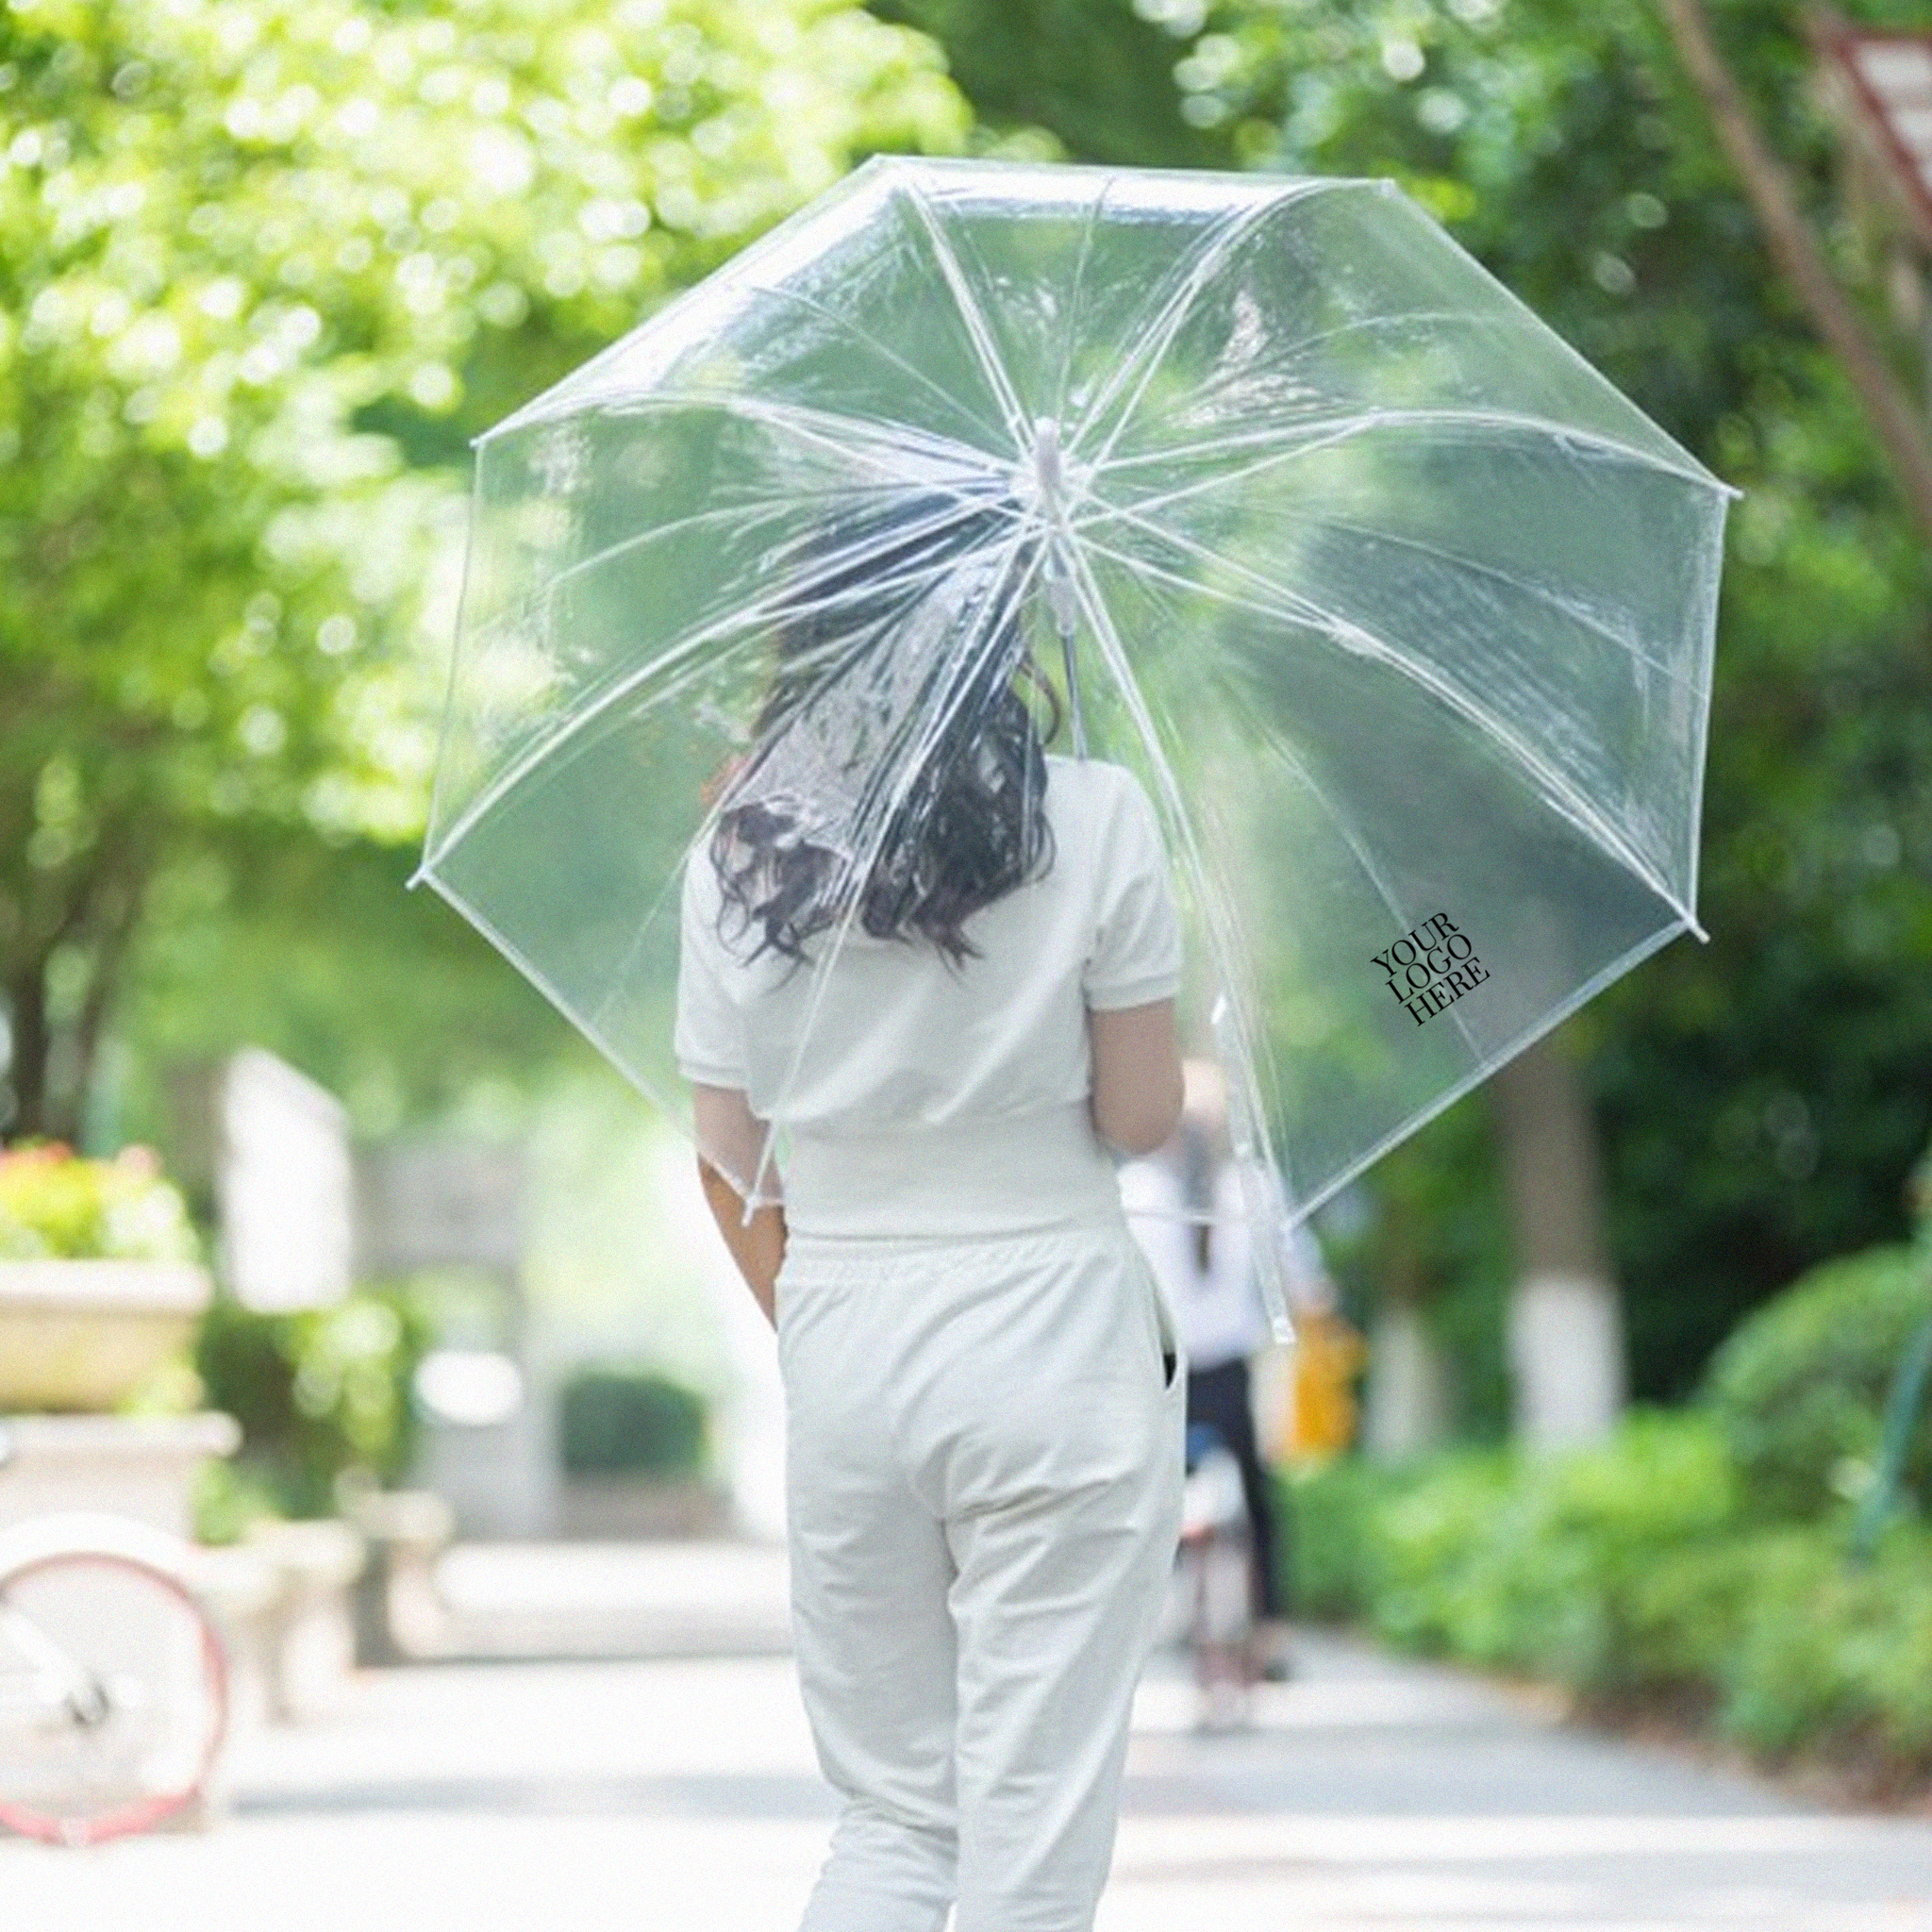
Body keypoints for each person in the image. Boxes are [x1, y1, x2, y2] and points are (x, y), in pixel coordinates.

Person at [675, 503, 1187, 1932]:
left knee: (897, 1814)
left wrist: (824, 1322)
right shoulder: (1097, 815)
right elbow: (1139, 1122)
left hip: (846, 1334)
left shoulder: (733, 854)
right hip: (1056, 1334)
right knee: (1032, 1827)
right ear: (1000, 637)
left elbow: (727, 1153)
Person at [1118, 1063, 1299, 1680]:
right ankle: (1270, 1631)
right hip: (1231, 1371)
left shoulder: (1135, 1190)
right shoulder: (1253, 1186)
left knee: (1147, 1495)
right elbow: (1299, 1278)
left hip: (1161, 1368)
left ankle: (1154, 1612)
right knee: (1258, 1498)